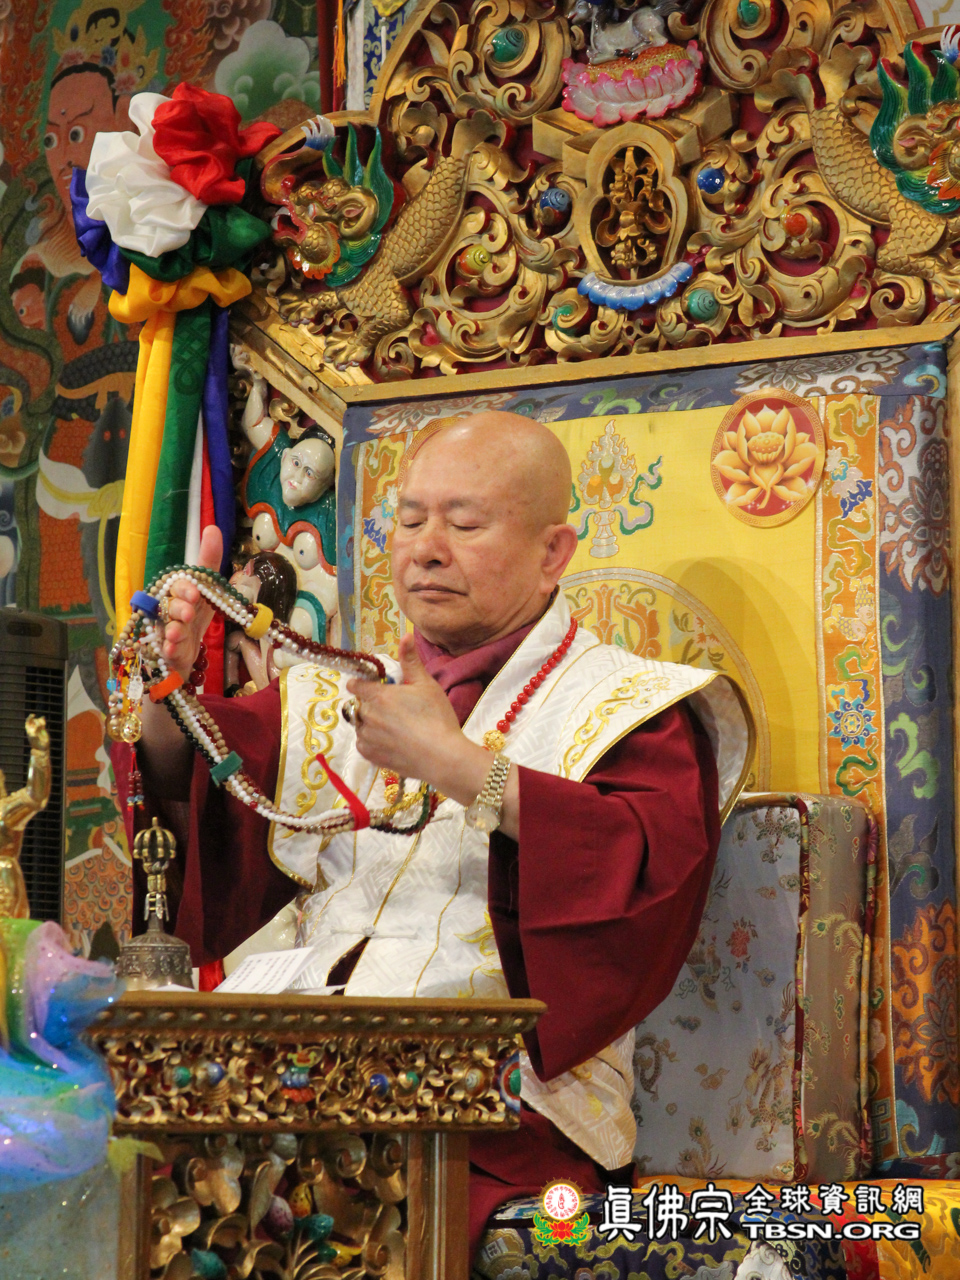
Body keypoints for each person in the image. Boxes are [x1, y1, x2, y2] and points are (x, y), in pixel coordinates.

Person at [123, 411, 750, 1256]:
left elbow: (640, 873)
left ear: (553, 552)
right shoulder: (347, 689)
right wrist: (166, 690)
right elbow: (200, 791)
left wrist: (462, 769)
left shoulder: (625, 706)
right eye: (411, 520)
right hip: (294, 1077)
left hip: (495, 1111)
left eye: (464, 523)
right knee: (131, 1178)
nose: (426, 550)